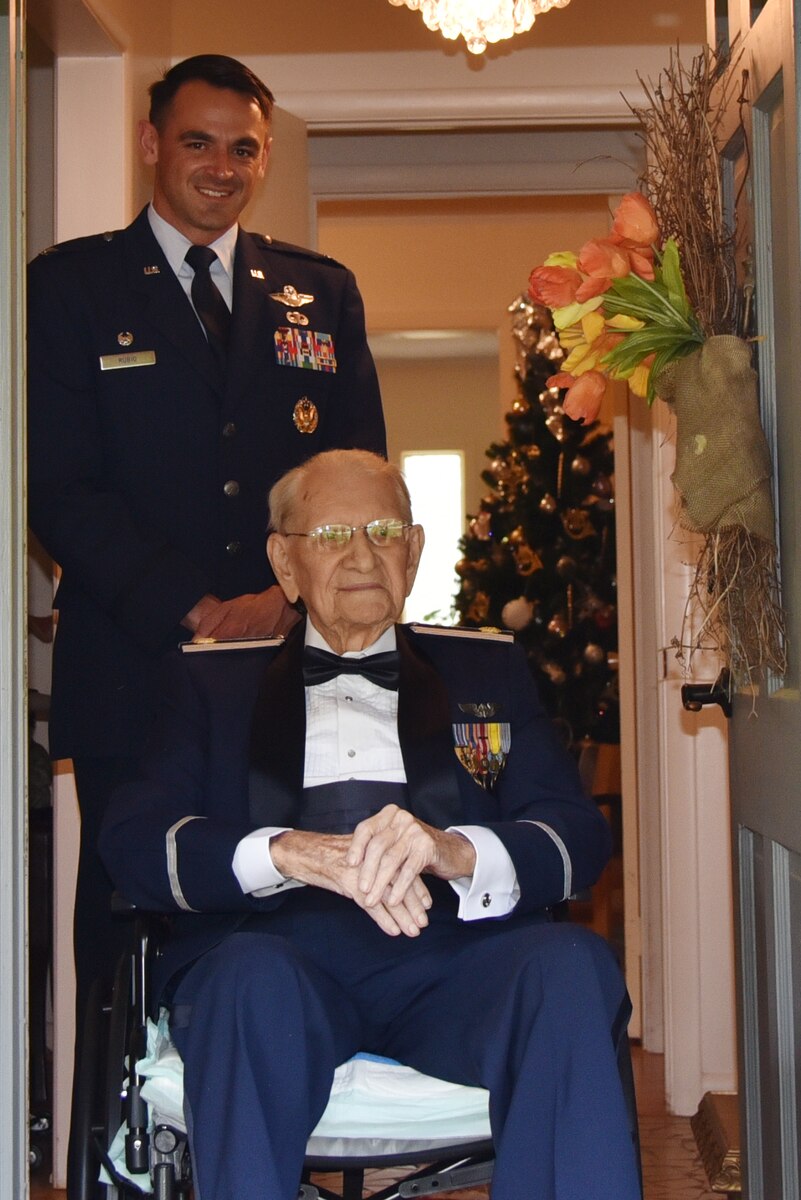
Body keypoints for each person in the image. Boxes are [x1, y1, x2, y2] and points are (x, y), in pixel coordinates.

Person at [100, 449, 642, 1200]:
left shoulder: (484, 672)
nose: (360, 555)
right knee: (246, 984)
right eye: (328, 536)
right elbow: (134, 837)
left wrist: (454, 850)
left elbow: (575, 833)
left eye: (383, 531)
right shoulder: (208, 683)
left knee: (571, 967)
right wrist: (284, 853)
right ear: (284, 564)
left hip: (459, 962)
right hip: (276, 956)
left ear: (413, 551)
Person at [26, 53, 386, 1091]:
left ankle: (271, 1118)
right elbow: (57, 487)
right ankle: (117, 1147)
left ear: (265, 155)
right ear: (152, 145)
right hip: (133, 667)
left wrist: (287, 596)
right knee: (127, 908)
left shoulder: (319, 291)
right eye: (198, 141)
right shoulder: (70, 288)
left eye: (244, 147)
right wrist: (192, 605)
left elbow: (355, 478)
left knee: (283, 900)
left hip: (285, 670)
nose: (220, 167)